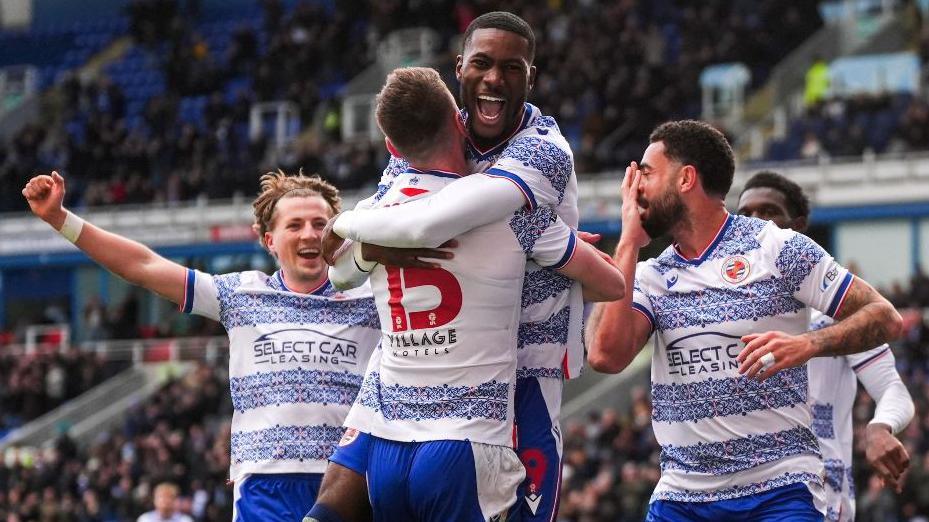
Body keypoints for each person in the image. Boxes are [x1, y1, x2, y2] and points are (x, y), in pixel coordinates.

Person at [312, 66, 623, 522]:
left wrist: (348, 229)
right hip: (466, 441)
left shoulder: (376, 215)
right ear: (460, 122)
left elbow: (339, 274)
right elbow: (613, 284)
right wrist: (556, 257)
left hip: (390, 449)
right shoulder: (510, 208)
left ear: (392, 148)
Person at [586, 120, 903, 521]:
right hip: (683, 496)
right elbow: (605, 355)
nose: (634, 189)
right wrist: (629, 241)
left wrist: (808, 344)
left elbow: (885, 317)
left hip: (780, 490)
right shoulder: (652, 275)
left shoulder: (775, 247)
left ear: (685, 179)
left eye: (646, 174)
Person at [21, 170, 381, 522]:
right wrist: (60, 219)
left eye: (320, 224)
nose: (310, 234)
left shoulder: (373, 299)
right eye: (295, 225)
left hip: (347, 481)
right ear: (270, 240)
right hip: (265, 485)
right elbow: (143, 265)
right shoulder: (240, 294)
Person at [737, 170, 914, 522]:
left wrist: (880, 427)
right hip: (740, 494)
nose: (756, 222)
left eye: (769, 211)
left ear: (798, 226)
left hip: (818, 495)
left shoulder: (836, 314)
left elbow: (894, 391)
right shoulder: (722, 314)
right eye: (746, 214)